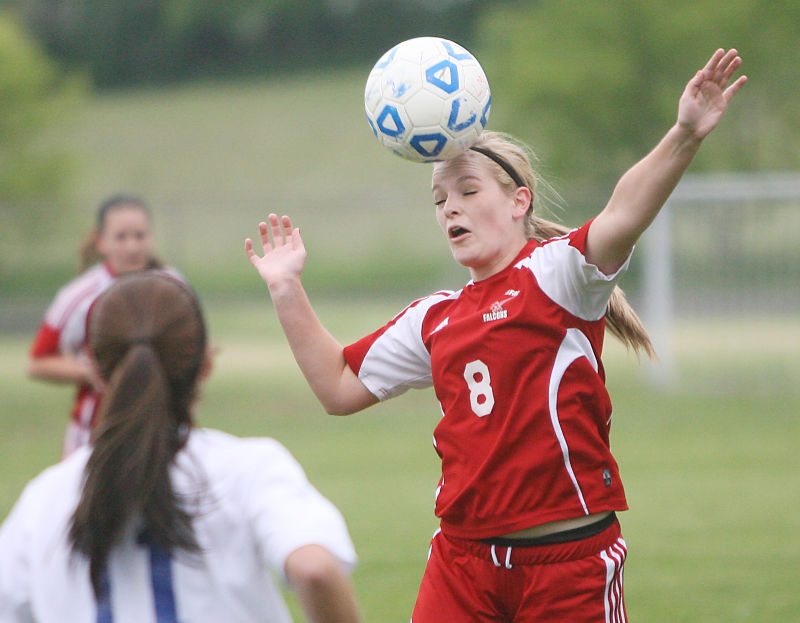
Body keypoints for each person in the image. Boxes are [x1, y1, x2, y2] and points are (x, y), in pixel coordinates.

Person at [244, 49, 746, 622]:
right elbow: (337, 386)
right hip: (463, 565)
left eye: (467, 191)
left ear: (518, 201)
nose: (449, 208)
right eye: (439, 199)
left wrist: (684, 134)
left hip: (567, 564)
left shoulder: (557, 275)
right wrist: (286, 290)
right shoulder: (434, 318)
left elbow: (624, 212)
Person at [0, 271, 363, 623]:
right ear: (205, 364)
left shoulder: (44, 499)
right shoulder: (249, 468)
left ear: (95, 371)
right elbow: (314, 569)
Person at [27, 194, 179, 457]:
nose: (132, 246)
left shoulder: (173, 286)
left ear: (151, 237)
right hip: (94, 435)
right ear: (101, 242)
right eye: (121, 237)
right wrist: (87, 372)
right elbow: (37, 362)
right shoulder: (79, 295)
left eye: (140, 235)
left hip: (161, 429)